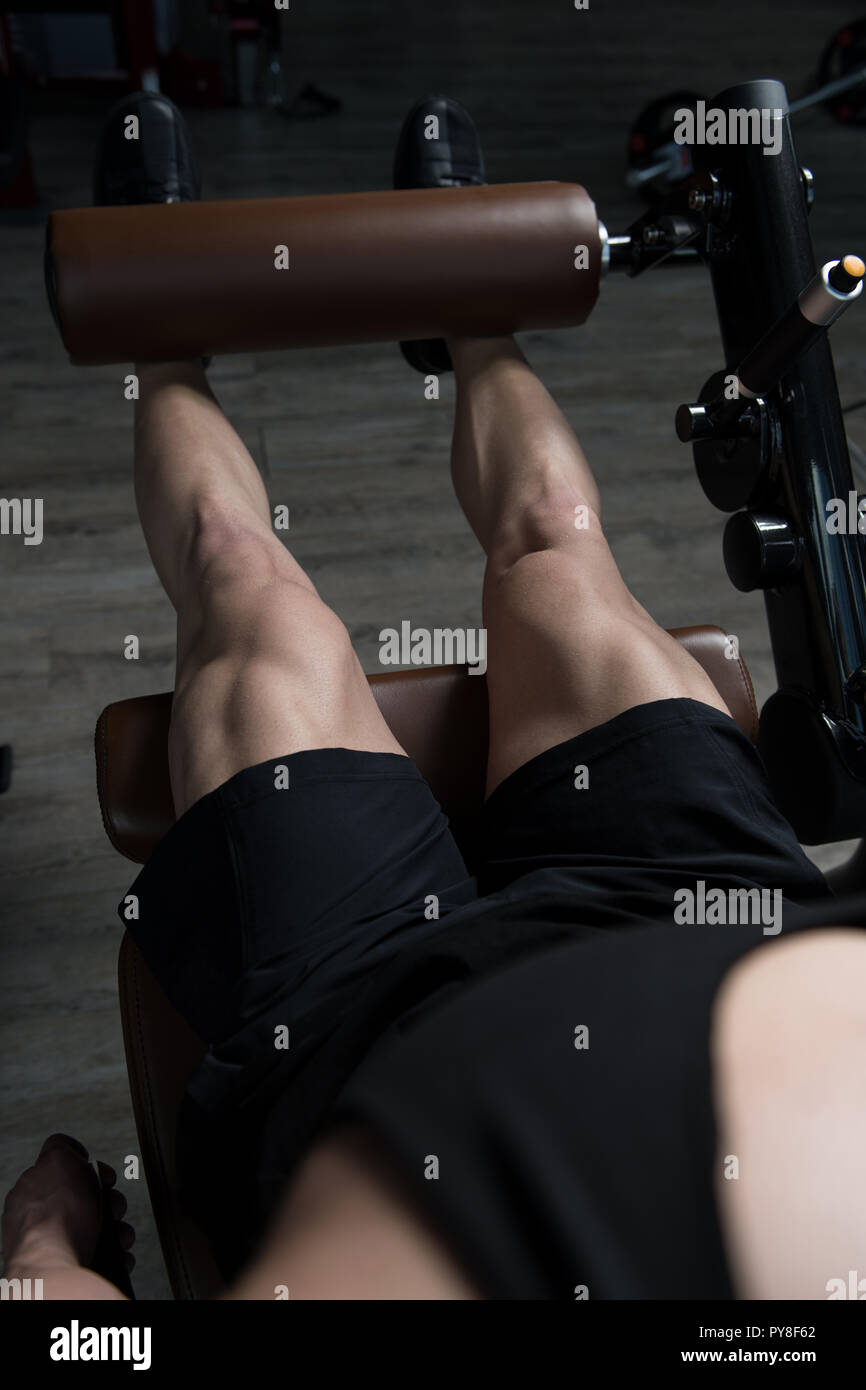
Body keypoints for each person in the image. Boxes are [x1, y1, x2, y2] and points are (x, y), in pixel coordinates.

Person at [4, 92, 866, 1302]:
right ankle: (470, 317)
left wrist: (40, 1247)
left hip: (368, 1033)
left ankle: (165, 325)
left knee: (245, 581)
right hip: (702, 930)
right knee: (555, 550)